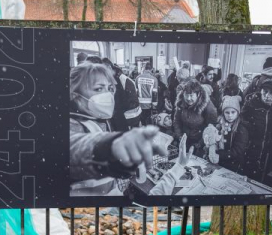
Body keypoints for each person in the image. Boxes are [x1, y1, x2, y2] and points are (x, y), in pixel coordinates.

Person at [69, 62, 166, 196]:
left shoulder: (101, 120)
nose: (108, 95)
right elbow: (73, 146)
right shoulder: (73, 124)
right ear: (76, 96)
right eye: (98, 89)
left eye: (110, 88)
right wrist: (109, 147)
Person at [241, 75, 272, 181]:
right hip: (250, 148)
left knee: (261, 178)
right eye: (265, 91)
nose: (267, 96)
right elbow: (242, 120)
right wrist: (251, 129)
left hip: (268, 151)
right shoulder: (251, 104)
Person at [173, 79, 218, 154]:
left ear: (198, 94)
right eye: (186, 95)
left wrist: (200, 143)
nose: (188, 98)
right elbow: (177, 120)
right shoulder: (180, 103)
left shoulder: (207, 106)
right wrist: (179, 136)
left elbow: (211, 127)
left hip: (200, 143)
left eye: (191, 95)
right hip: (184, 140)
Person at [102, 58, 141, 131]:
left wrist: (115, 108)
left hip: (130, 118)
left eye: (104, 71)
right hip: (118, 117)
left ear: (109, 68)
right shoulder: (111, 79)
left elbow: (133, 102)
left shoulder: (125, 80)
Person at [215, 95, 249, 173]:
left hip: (234, 165)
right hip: (219, 162)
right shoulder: (219, 125)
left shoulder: (241, 129)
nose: (230, 115)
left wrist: (218, 154)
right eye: (227, 112)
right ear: (223, 113)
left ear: (237, 112)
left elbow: (237, 151)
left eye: (233, 112)